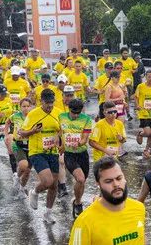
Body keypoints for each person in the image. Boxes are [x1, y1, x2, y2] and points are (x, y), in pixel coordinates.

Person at [69, 156, 145, 245]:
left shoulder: (139, 208)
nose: (116, 184)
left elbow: (142, 240)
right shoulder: (84, 222)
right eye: (108, 181)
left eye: (119, 178)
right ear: (98, 183)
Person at [21, 89, 62, 224]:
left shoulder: (58, 112)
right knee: (47, 181)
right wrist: (33, 131)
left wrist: (58, 136)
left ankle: (48, 213)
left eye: (52, 102)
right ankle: (35, 191)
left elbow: (62, 129)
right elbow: (22, 133)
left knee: (54, 185)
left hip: (53, 152)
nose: (50, 106)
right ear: (41, 102)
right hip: (37, 152)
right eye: (47, 103)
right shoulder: (33, 114)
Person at [59, 99, 92, 218]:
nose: (76, 115)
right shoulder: (61, 117)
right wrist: (62, 145)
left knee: (82, 182)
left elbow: (84, 139)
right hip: (69, 155)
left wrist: (78, 144)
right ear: (69, 109)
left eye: (78, 113)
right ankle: (78, 204)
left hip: (82, 153)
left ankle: (76, 200)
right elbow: (60, 132)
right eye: (74, 113)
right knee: (81, 179)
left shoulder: (86, 119)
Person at [5, 98, 33, 198]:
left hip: (31, 145)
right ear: (20, 107)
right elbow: (8, 122)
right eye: (23, 106)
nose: (26, 108)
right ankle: (17, 176)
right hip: (18, 144)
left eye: (28, 106)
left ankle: (21, 187)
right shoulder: (15, 116)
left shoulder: (34, 117)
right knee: (24, 165)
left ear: (31, 107)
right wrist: (6, 134)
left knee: (28, 171)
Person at [116, 47, 138, 121]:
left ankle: (128, 113)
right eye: (124, 53)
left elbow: (135, 68)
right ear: (121, 54)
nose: (126, 55)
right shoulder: (118, 61)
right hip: (120, 83)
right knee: (119, 99)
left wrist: (134, 71)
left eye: (127, 53)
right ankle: (118, 113)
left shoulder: (131, 60)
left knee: (127, 99)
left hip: (129, 83)